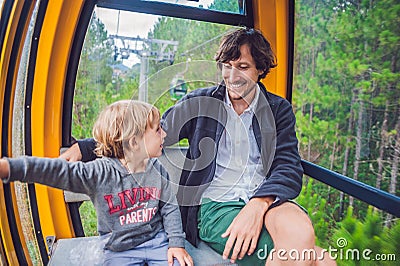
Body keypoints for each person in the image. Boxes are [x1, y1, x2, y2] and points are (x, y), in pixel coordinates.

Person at [62, 28, 336, 265]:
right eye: (227, 66)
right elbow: (146, 134)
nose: (232, 75)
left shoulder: (277, 110)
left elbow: (288, 166)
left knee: (303, 240)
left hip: (267, 199)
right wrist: (87, 148)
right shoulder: (201, 104)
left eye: (242, 67)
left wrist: (258, 204)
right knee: (320, 259)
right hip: (216, 205)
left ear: (261, 69)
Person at [0, 100, 193, 266]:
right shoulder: (99, 173)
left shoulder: (157, 169)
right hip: (118, 250)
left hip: (156, 241)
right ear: (134, 143)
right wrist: (11, 167)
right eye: (158, 129)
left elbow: (169, 208)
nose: (164, 134)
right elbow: (57, 172)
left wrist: (176, 243)